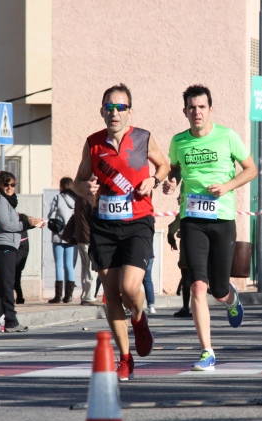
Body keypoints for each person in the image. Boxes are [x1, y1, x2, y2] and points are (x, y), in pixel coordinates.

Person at [72, 83, 170, 380]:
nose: (114, 112)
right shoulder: (93, 144)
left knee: (129, 288)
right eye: (109, 107)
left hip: (138, 222)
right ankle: (125, 358)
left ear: (130, 112)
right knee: (111, 294)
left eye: (120, 107)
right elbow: (78, 181)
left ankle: (139, 318)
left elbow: (164, 165)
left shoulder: (143, 138)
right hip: (104, 225)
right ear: (102, 111)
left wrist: (154, 180)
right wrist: (86, 188)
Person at [162, 84, 256, 371]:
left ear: (210, 109)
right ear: (185, 111)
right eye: (192, 107)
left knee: (218, 289)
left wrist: (227, 186)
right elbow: (175, 168)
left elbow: (251, 169)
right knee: (197, 286)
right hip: (192, 220)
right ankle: (207, 351)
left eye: (201, 107)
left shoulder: (228, 136)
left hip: (222, 219)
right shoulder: (179, 141)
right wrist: (172, 181)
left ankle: (230, 298)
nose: (197, 112)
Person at [0, 171, 39, 333]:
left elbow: (12, 223)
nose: (9, 188)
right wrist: (26, 224)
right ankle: (11, 321)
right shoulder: (0, 201)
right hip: (4, 246)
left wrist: (31, 223)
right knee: (8, 284)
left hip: (9, 245)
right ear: (0, 185)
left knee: (1, 285)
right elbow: (5, 224)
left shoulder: (8, 202)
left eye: (13, 185)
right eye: (6, 184)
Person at [48, 177, 78, 303]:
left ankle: (58, 295)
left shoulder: (57, 198)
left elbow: (51, 216)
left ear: (61, 186)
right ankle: (69, 296)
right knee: (70, 265)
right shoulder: (76, 199)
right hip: (71, 235)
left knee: (59, 265)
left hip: (59, 235)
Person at [70, 188, 100, 306]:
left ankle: (85, 294)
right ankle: (89, 296)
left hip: (81, 236)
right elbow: (95, 217)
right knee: (91, 267)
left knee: (85, 266)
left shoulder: (79, 197)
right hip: (89, 236)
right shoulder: (91, 198)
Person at [167, 212, 192, 318]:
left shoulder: (185, 211)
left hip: (188, 246)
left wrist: (172, 241)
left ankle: (186, 308)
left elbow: (172, 229)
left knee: (186, 277)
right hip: (204, 247)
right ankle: (201, 307)